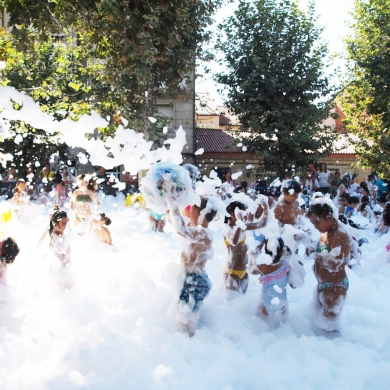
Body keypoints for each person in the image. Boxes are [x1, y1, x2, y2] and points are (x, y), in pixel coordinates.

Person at [163, 185, 218, 336]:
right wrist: (168, 203)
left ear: (202, 215)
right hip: (190, 279)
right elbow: (175, 223)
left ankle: (191, 346)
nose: (188, 213)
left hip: (196, 281)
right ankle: (188, 344)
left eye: (192, 211)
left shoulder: (203, 234)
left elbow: (181, 229)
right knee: (184, 318)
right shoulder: (196, 231)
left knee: (186, 322)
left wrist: (172, 202)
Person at [307, 200, 350, 333]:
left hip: (335, 287)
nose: (315, 226)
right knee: (323, 324)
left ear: (329, 217)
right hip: (326, 285)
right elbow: (323, 249)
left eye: (317, 222)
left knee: (329, 329)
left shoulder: (338, 235)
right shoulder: (327, 230)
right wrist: (310, 246)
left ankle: (332, 350)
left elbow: (334, 264)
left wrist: (314, 255)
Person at [223, 198, 269, 294]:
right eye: (243, 213)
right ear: (233, 214)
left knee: (241, 302)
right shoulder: (227, 229)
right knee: (232, 306)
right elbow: (234, 241)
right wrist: (240, 223)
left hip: (244, 271)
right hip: (232, 272)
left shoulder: (242, 226)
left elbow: (262, 223)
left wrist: (266, 207)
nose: (245, 215)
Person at [249, 237, 295, 326]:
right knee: (281, 331)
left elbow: (251, 271)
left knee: (263, 328)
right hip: (282, 305)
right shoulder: (286, 265)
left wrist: (253, 257)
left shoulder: (262, 267)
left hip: (266, 306)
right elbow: (293, 284)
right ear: (281, 252)